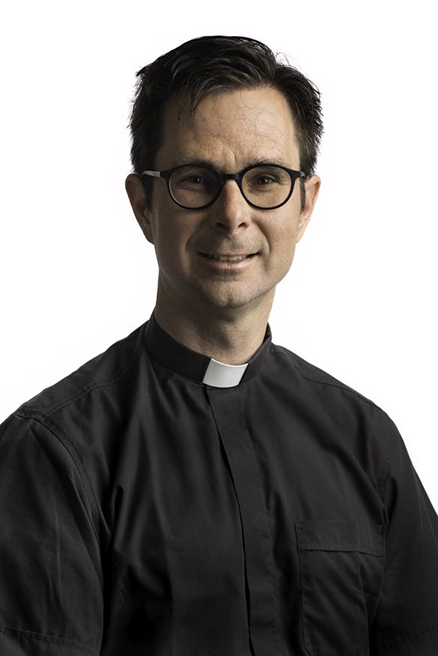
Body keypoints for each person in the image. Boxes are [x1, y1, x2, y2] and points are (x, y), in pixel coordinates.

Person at [0, 35, 437, 656]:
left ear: (305, 205)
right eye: (196, 179)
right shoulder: (52, 453)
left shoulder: (368, 442)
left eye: (266, 179)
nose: (232, 214)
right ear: (143, 205)